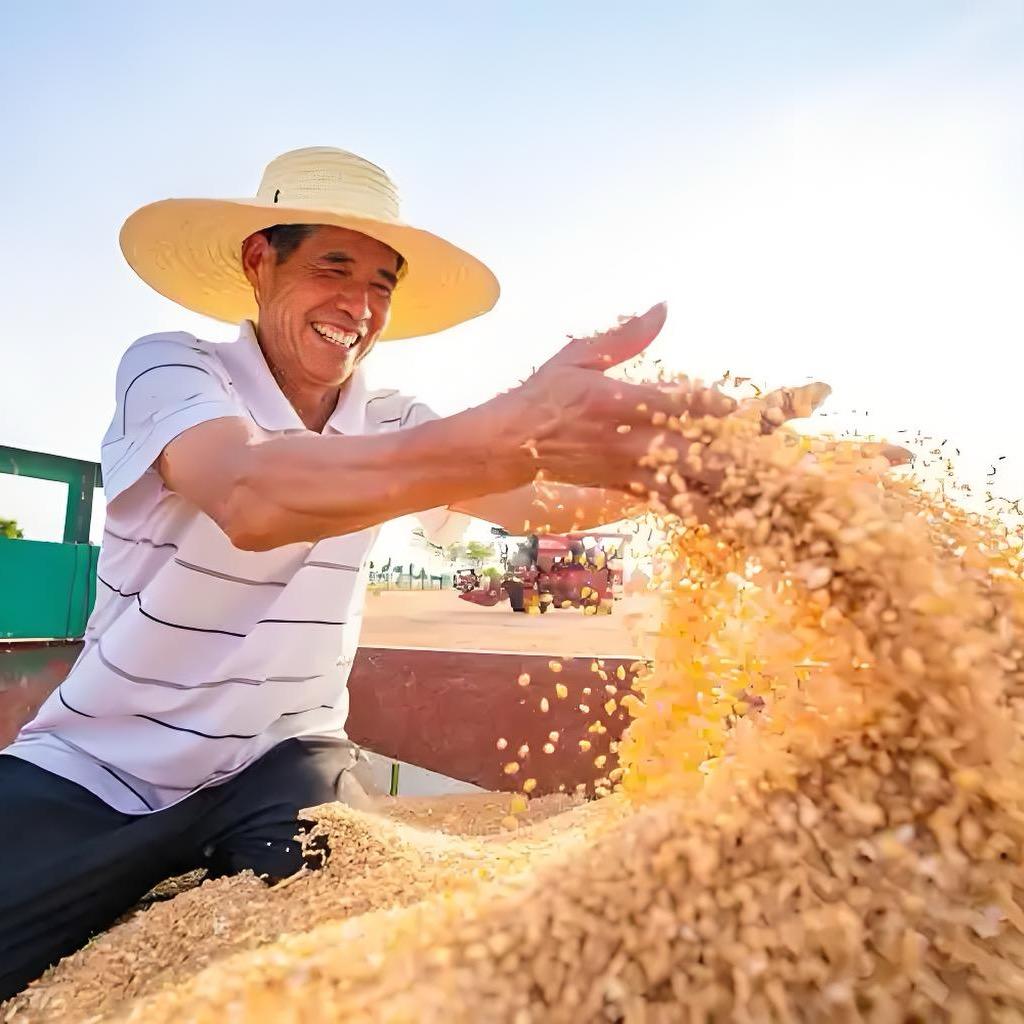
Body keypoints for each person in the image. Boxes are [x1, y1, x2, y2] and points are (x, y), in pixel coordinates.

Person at [0, 146, 827, 999]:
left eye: (382, 284)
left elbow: (533, 499)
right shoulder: (173, 368)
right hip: (103, 762)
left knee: (375, 964)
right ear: (260, 261)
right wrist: (501, 432)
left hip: (286, 760)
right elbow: (249, 495)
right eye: (333, 266)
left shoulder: (391, 417)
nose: (358, 306)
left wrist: (701, 476)